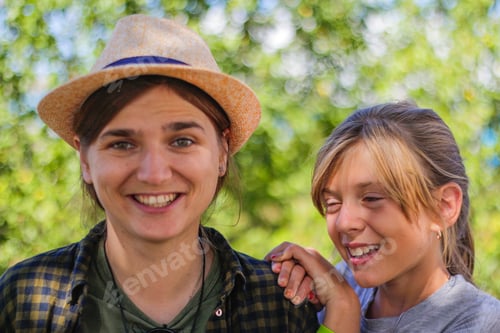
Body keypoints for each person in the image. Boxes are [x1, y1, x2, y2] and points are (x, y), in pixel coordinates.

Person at [0, 14, 320, 332]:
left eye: (182, 141)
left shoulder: (281, 305)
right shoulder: (24, 298)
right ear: (85, 159)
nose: (154, 174)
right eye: (123, 144)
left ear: (222, 152)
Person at [267, 101, 500, 332]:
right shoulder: (325, 289)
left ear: (443, 206)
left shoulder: (482, 322)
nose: (345, 223)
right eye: (332, 203)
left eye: (372, 198)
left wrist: (344, 310)